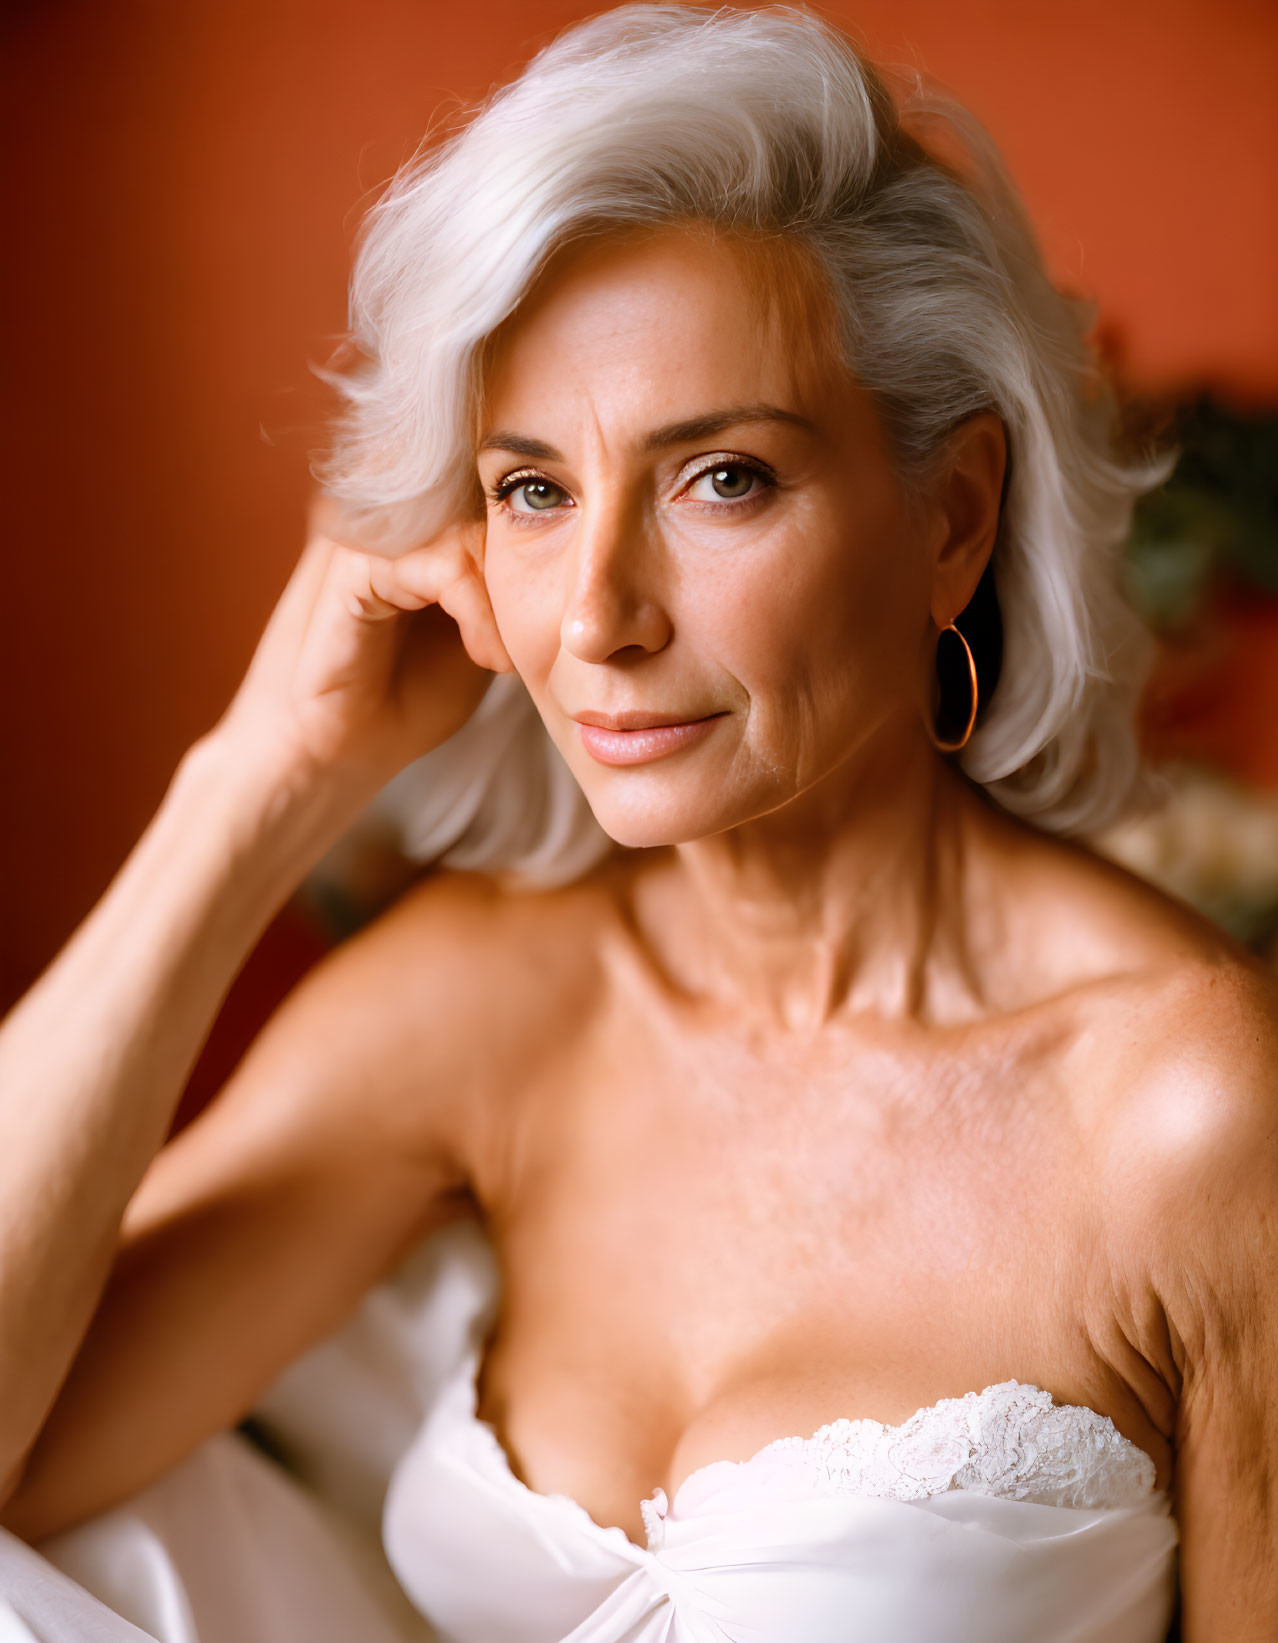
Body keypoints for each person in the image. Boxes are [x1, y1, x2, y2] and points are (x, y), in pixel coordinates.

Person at [1, 4, 1275, 1639]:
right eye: (532, 489)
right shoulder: (488, 1005)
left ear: (950, 519)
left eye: (718, 478)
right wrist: (255, 780)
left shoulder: (1182, 1107)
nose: (596, 614)